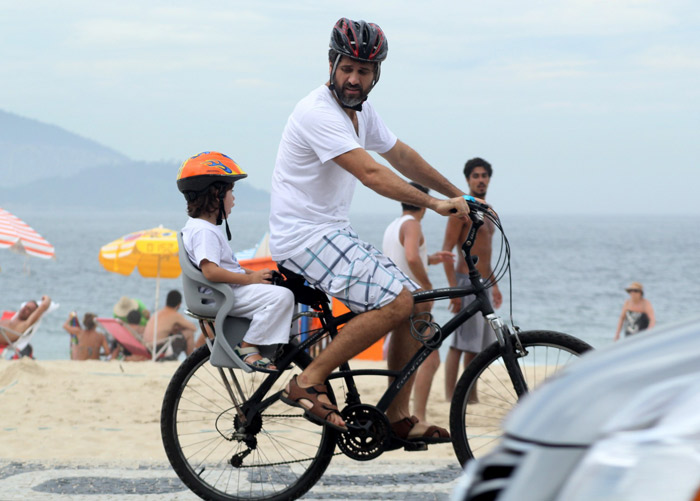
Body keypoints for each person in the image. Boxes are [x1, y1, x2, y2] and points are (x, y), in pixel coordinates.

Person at [269, 18, 469, 438]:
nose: (354, 79)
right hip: (303, 236)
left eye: (363, 71)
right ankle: (306, 381)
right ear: (330, 64)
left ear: (376, 75)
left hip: (329, 232)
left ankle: (396, 419)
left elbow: (401, 156)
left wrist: (460, 195)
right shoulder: (316, 113)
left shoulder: (361, 113)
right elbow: (371, 174)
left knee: (418, 305)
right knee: (397, 302)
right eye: (347, 68)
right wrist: (434, 203)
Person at [176, 151, 295, 370]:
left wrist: (253, 275)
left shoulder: (199, 228)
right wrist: (250, 281)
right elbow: (211, 272)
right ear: (215, 194)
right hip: (222, 295)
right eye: (231, 191)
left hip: (223, 291)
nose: (234, 198)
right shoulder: (205, 232)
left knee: (278, 290)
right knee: (282, 297)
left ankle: (271, 345)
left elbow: (225, 268)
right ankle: (248, 346)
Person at [381, 182, 455, 423]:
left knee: (410, 360)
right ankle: (418, 417)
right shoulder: (413, 224)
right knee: (430, 360)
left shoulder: (394, 225)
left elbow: (404, 258)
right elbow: (412, 257)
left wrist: (431, 259)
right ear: (423, 203)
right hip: (414, 301)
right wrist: (428, 286)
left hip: (396, 297)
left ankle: (402, 413)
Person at [442, 157, 502, 401]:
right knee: (461, 342)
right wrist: (453, 291)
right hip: (465, 283)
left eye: (484, 175)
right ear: (468, 180)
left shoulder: (489, 212)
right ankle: (449, 396)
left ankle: (471, 395)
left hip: (484, 283)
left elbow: (486, 255)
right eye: (475, 176)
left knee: (479, 345)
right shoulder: (461, 212)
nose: (480, 180)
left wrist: (495, 286)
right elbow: (446, 252)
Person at [143, 290, 198, 357]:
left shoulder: (158, 313)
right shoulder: (175, 315)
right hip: (158, 349)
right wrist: (180, 328)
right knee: (189, 333)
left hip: (147, 348)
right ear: (179, 304)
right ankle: (191, 358)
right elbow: (194, 328)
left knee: (174, 333)